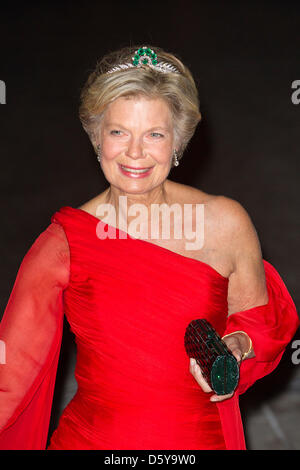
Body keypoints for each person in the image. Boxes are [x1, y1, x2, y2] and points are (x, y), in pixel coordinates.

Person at [0, 45, 298, 450]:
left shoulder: (226, 223)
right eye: (118, 131)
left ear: (177, 141)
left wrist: (239, 345)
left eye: (154, 134)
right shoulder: (64, 243)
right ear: (96, 137)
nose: (135, 152)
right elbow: (10, 376)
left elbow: (257, 322)